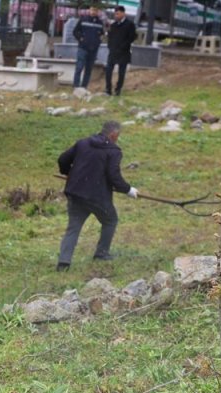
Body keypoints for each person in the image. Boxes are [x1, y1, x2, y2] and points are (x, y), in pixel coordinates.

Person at [56, 121, 138, 270]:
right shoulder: (113, 151)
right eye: (118, 136)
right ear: (113, 134)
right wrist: (128, 190)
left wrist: (69, 173)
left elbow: (62, 160)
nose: (117, 139)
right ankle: (101, 253)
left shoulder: (83, 143)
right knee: (110, 220)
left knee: (73, 227)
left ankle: (63, 262)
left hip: (75, 192)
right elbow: (114, 176)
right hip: (96, 196)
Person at [104, 5, 138, 96]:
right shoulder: (114, 25)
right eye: (115, 14)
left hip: (123, 52)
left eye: (118, 14)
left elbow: (132, 37)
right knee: (108, 70)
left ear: (123, 13)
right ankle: (108, 89)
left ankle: (118, 89)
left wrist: (123, 46)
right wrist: (110, 46)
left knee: (121, 72)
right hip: (113, 51)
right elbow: (110, 37)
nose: (116, 16)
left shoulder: (129, 24)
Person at [72, 6, 105, 89]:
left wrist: (98, 41)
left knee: (88, 69)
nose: (94, 12)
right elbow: (75, 31)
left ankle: (84, 87)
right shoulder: (83, 20)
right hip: (83, 48)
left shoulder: (100, 22)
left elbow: (101, 34)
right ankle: (76, 86)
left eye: (96, 10)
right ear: (89, 10)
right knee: (79, 67)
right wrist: (81, 38)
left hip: (93, 49)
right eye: (92, 10)